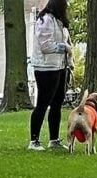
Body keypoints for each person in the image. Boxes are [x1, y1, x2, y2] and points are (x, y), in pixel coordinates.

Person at [29, 0, 72, 150]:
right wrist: (65, 47)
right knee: (43, 103)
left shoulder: (58, 22)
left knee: (57, 103)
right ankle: (34, 140)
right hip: (45, 68)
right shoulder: (45, 20)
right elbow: (46, 46)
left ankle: (54, 139)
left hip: (59, 66)